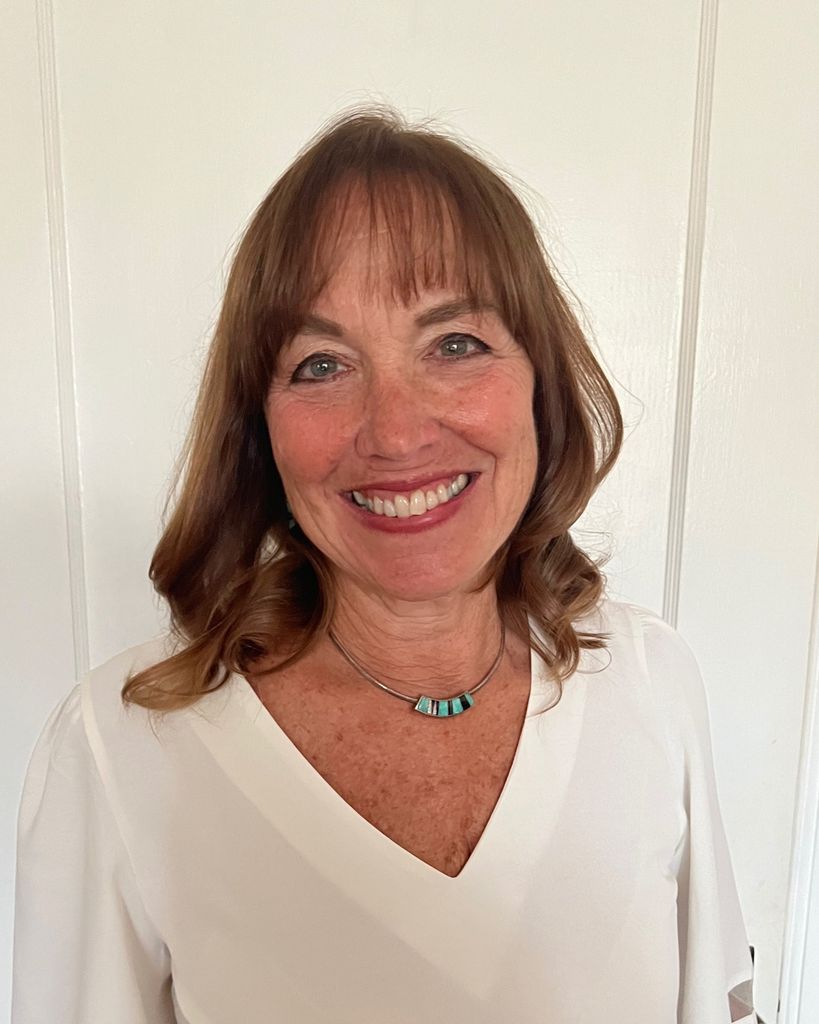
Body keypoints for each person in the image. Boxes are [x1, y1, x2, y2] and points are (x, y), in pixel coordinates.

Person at [11, 107, 756, 1023]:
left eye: (455, 344)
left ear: (541, 384)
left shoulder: (651, 683)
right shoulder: (121, 749)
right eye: (322, 365)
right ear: (258, 429)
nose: (396, 433)